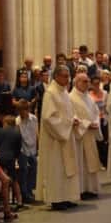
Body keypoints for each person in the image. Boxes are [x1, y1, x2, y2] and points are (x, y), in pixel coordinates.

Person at [36, 65, 81, 211]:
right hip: (55, 140)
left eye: (68, 76)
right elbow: (48, 118)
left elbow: (69, 111)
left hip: (65, 135)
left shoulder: (64, 92)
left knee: (66, 168)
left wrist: (73, 119)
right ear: (56, 76)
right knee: (57, 169)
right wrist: (67, 124)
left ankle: (66, 196)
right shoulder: (51, 93)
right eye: (64, 76)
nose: (68, 79)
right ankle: (56, 199)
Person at [70, 73, 103, 199]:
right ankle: (81, 190)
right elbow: (72, 116)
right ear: (77, 82)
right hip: (79, 136)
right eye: (84, 81)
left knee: (90, 162)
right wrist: (86, 124)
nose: (87, 84)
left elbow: (96, 112)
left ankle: (90, 188)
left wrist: (95, 122)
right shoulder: (71, 97)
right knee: (81, 163)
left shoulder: (88, 97)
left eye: (87, 81)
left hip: (89, 133)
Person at [0, 115, 24, 212]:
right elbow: (18, 148)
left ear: (6, 123)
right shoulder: (17, 133)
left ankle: (4, 202)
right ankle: (19, 201)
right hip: (11, 157)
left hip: (0, 157)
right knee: (14, 179)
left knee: (3, 181)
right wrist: (15, 157)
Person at [16, 99, 39, 203]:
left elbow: (36, 133)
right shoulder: (17, 121)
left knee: (34, 168)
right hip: (22, 149)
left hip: (32, 148)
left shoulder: (34, 119)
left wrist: (37, 146)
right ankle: (24, 194)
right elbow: (19, 137)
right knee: (24, 170)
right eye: (20, 111)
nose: (22, 113)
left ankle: (30, 191)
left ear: (28, 110)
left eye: (24, 111)